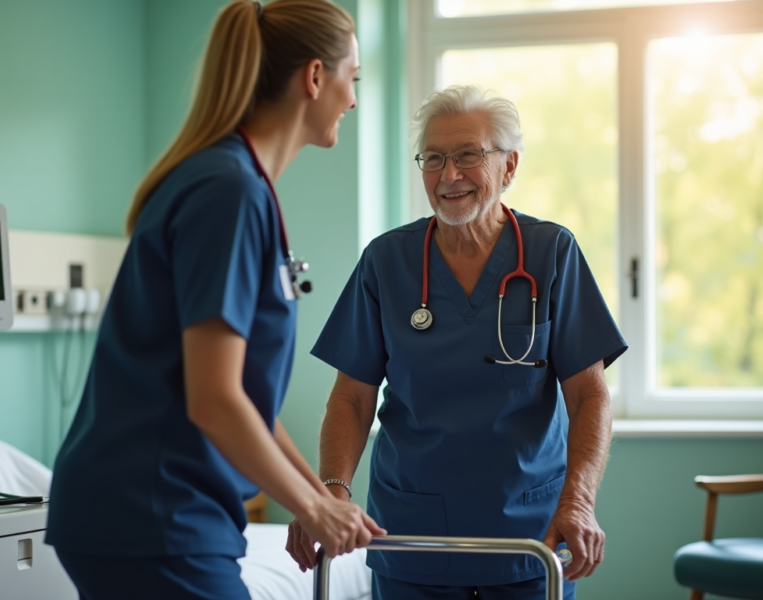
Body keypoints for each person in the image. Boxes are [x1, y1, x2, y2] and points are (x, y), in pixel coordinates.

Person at [45, 1, 384, 598]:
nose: (353, 100)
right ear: (313, 77)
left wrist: (318, 499)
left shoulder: (238, 185)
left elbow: (245, 399)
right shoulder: (228, 192)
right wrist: (310, 504)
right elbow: (215, 400)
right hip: (151, 511)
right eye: (350, 79)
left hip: (157, 510)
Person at [286, 84, 628, 600]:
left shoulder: (551, 253)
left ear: (509, 166)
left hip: (529, 538)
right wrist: (331, 492)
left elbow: (590, 396)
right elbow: (352, 397)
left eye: (468, 155)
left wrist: (579, 500)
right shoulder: (386, 262)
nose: (449, 176)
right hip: (411, 535)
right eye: (434, 158)